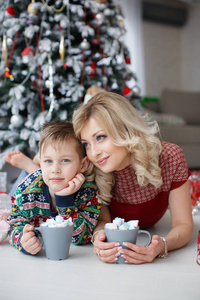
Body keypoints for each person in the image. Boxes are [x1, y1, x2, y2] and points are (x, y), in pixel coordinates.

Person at [72, 91, 193, 264]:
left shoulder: (170, 157)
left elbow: (184, 224)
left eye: (100, 137)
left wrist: (162, 245)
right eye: (86, 144)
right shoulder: (92, 168)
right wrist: (98, 238)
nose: (94, 153)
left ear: (125, 129)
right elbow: (103, 221)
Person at [7, 120, 101, 255]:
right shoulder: (25, 192)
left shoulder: (88, 193)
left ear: (83, 164)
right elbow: (12, 226)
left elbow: (81, 238)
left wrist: (65, 200)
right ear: (40, 162)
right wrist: (23, 240)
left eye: (65, 160)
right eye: (48, 161)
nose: (55, 169)